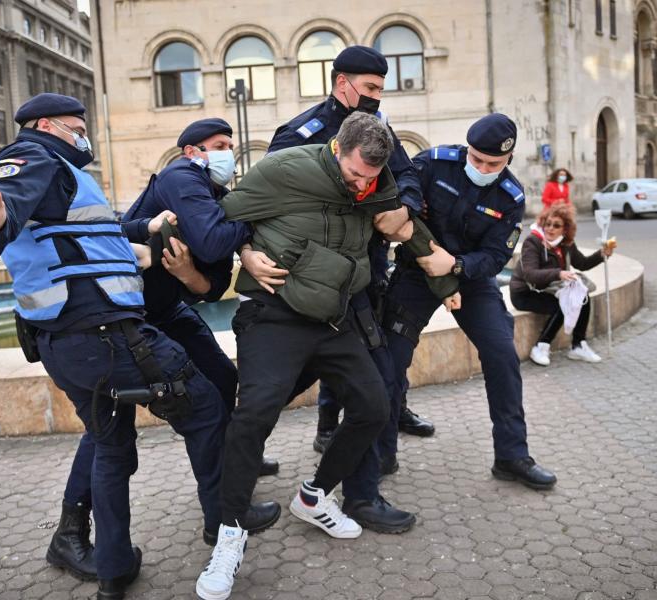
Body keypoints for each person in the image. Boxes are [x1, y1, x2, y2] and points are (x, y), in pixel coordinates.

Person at [0, 93, 229, 600]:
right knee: (206, 406)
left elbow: (85, 231)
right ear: (45, 125)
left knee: (109, 444)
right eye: (75, 126)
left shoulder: (66, 173)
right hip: (106, 336)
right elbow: (0, 199)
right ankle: (226, 523)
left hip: (68, 344)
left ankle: (113, 568)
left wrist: (140, 232)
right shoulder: (35, 156)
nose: (84, 134)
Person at [196, 112, 410, 600]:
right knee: (252, 416)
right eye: (356, 174)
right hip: (275, 315)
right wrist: (245, 252)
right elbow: (220, 216)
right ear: (337, 149)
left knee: (375, 407)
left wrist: (407, 223)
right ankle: (229, 535)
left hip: (334, 320)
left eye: (371, 178)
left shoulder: (377, 183)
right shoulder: (284, 170)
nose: (363, 186)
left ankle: (314, 496)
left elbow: (396, 216)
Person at [268, 44, 434, 476]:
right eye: (370, 87)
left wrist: (406, 209)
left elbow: (408, 176)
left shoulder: (377, 128)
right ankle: (255, 446)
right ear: (342, 83)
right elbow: (270, 207)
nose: (378, 96)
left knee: (368, 365)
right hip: (316, 279)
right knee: (295, 378)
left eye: (382, 88)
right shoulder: (299, 134)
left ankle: (369, 458)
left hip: (369, 268)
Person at [119, 117, 281, 544]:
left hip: (168, 310)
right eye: (217, 144)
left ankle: (235, 463)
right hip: (133, 318)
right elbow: (212, 243)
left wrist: (191, 272)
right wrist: (249, 220)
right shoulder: (181, 176)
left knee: (224, 378)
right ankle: (224, 510)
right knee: (200, 407)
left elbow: (210, 289)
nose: (227, 152)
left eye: (230, 144)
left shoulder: (214, 194)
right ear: (193, 151)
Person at [382, 113, 558, 492]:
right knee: (391, 355)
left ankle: (512, 455)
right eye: (476, 158)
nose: (481, 167)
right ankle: (381, 450)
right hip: (416, 273)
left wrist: (457, 266)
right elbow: (401, 198)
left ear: (508, 160)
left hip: (472, 282)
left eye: (492, 163)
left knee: (502, 355)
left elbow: (496, 257)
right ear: (467, 148)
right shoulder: (434, 163)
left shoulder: (510, 197)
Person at [510, 204, 613, 366]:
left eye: (556, 225)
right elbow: (530, 274)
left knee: (582, 297)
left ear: (565, 229)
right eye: (548, 224)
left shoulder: (566, 243)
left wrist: (602, 255)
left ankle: (578, 345)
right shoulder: (533, 241)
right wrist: (558, 273)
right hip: (525, 292)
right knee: (564, 303)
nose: (550, 229)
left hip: (548, 289)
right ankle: (541, 346)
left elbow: (582, 263)